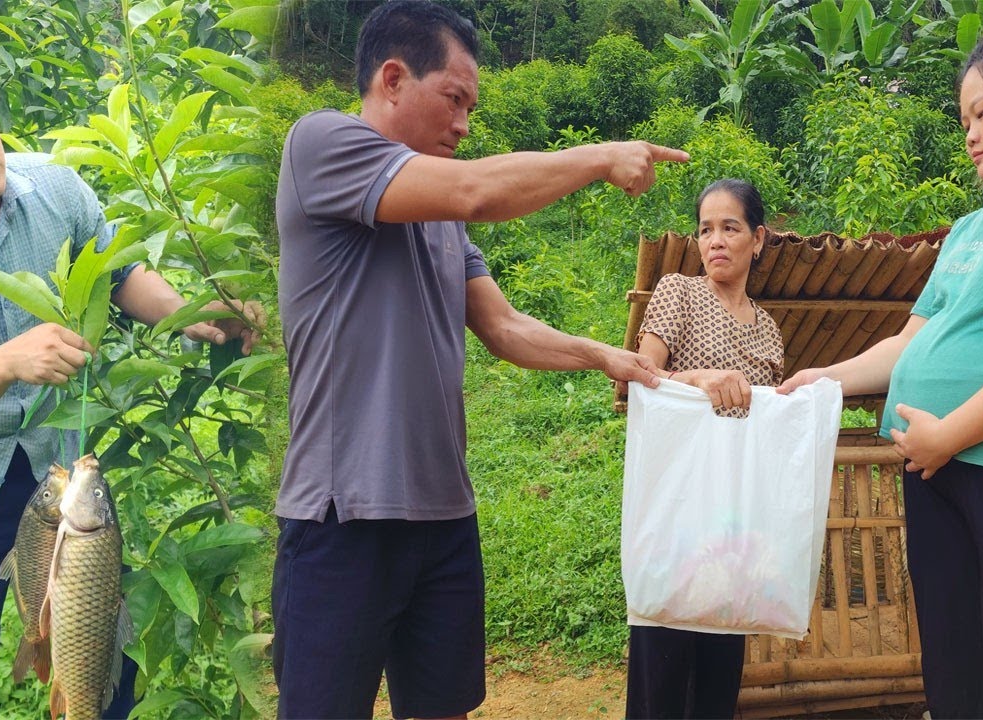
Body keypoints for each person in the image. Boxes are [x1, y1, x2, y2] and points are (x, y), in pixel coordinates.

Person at [271, 1, 688, 717]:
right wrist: (597, 156)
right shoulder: (321, 144)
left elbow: (502, 326)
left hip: (443, 516)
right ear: (393, 80)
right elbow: (480, 189)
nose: (464, 124)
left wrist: (603, 356)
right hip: (343, 516)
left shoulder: (440, 214)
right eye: (455, 100)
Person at [0, 29, 257, 719]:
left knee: (94, 653)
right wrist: (5, 363)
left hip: (66, 483)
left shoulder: (56, 190)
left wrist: (191, 315)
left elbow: (120, 275)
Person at [778, 18, 983, 718]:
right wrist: (826, 377)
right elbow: (910, 342)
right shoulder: (970, 228)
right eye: (963, 118)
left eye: (981, 112)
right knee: (955, 678)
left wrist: (950, 433)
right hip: (938, 472)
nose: (969, 132)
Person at [626, 178, 782, 719]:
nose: (714, 240)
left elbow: (770, 427)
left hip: (735, 519)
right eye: (705, 229)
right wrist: (698, 380)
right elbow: (640, 375)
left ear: (757, 239)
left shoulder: (769, 330)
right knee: (663, 668)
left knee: (718, 673)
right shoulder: (679, 291)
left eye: (730, 228)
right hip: (676, 508)